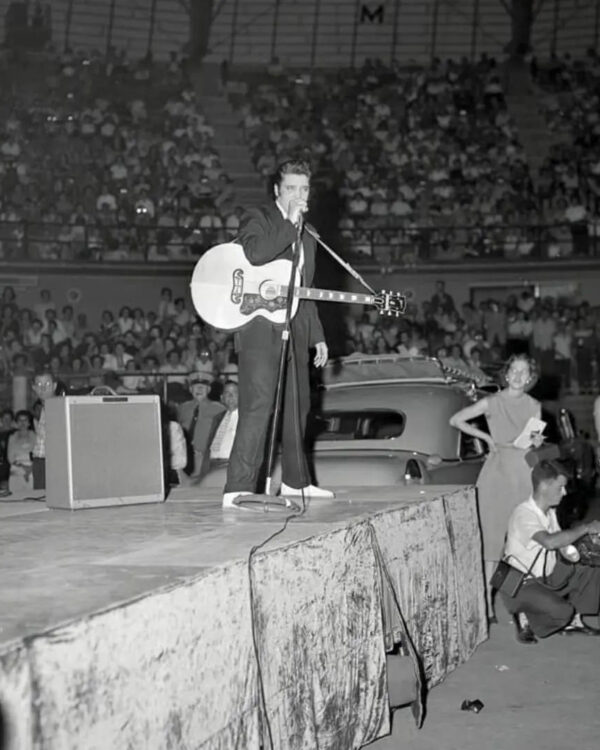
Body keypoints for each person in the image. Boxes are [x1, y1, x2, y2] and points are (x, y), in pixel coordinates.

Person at [222, 159, 333, 508]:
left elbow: (307, 287)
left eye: (304, 189)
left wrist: (317, 335)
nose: (298, 196)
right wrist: (289, 224)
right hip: (259, 329)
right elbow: (255, 253)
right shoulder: (259, 218)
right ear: (276, 191)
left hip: (296, 325)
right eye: (290, 189)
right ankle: (238, 487)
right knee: (258, 406)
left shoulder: (310, 234)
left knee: (298, 406)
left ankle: (296, 482)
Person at [449, 354, 544, 617]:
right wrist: (486, 438)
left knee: (519, 542)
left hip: (523, 475)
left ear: (529, 377)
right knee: (491, 541)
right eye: (513, 370)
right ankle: (485, 603)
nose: (517, 376)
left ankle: (516, 603)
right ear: (506, 374)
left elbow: (533, 445)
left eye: (523, 372)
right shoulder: (492, 401)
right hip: (496, 474)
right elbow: (456, 420)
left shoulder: (534, 405)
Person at [501, 460, 600, 643]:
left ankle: (574, 622)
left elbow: (561, 543)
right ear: (545, 485)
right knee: (562, 612)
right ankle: (525, 616)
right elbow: (549, 542)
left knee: (592, 561)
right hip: (518, 583)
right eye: (560, 487)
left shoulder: (549, 512)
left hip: (544, 576)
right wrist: (585, 528)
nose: (564, 493)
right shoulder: (524, 514)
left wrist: (584, 548)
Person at [177, 372, 225, 480]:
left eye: (203, 387)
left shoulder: (219, 409)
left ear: (209, 390)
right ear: (190, 389)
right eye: (195, 387)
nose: (199, 389)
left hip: (205, 457)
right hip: (185, 457)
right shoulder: (183, 408)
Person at [31, 370, 59, 490]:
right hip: (39, 460)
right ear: (33, 388)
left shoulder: (61, 407)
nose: (43, 389)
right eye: (39, 385)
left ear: (54, 386)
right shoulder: (40, 408)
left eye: (47, 384)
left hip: (55, 461)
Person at [209, 381, 239, 464]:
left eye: (235, 393)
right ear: (222, 398)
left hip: (233, 465)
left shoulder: (245, 419)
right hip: (213, 464)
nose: (231, 396)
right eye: (227, 393)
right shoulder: (217, 418)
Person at [7, 410, 36, 494]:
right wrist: (24, 467)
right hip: (16, 473)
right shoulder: (12, 437)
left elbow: (37, 456)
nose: (22, 423)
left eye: (25, 420)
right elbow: (10, 458)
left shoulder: (35, 436)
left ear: (29, 423)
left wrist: (30, 469)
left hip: (31, 474)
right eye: (20, 420)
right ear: (16, 423)